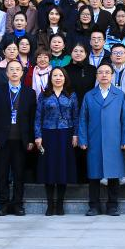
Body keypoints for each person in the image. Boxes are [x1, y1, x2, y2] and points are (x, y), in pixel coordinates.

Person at [78, 63, 125, 216]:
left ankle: (112, 206)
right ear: (96, 76)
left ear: (112, 75)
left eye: (107, 72)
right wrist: (83, 139)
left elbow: (124, 119)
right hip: (94, 138)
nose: (104, 75)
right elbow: (83, 119)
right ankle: (94, 206)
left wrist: (124, 139)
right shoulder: (89, 95)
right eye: (100, 72)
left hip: (114, 139)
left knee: (114, 174)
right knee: (94, 174)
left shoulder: (119, 95)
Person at [0, 60, 36, 216]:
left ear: (22, 73)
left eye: (17, 69)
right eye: (11, 69)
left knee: (19, 174)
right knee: (2, 174)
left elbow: (32, 119)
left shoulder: (29, 93)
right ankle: (3, 205)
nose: (14, 72)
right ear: (6, 73)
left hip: (21, 140)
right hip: (2, 139)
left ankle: (17, 204)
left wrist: (31, 139)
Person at [36, 67, 80, 216]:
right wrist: (38, 135)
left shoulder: (71, 95)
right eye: (55, 75)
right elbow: (38, 116)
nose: (58, 78)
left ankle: (60, 205)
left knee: (63, 168)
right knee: (49, 168)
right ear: (51, 78)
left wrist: (75, 135)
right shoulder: (44, 95)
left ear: (65, 78)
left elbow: (76, 116)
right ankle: (50, 205)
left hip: (66, 134)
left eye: (60, 75)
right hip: (48, 133)